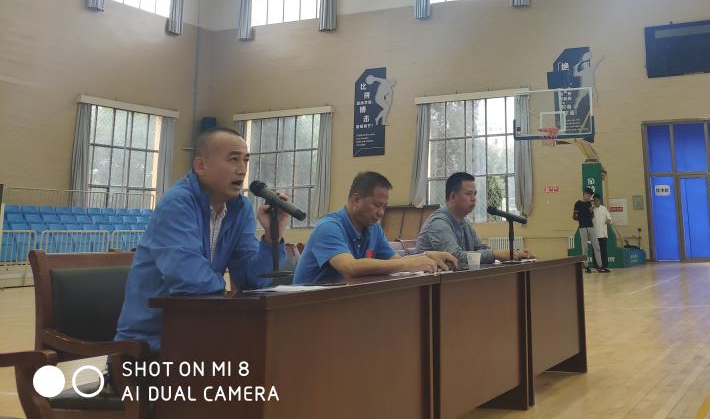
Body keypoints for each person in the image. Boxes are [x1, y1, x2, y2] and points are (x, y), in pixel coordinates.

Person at [116, 127, 290, 352]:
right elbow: (191, 280)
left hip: (202, 331)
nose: (242, 169)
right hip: (151, 342)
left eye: (245, 160)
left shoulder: (240, 209)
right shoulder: (177, 204)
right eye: (233, 159)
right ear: (201, 166)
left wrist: (272, 238)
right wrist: (225, 289)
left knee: (278, 352)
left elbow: (252, 281)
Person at [292, 171, 456, 284]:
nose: (381, 213)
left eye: (384, 206)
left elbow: (395, 262)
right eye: (377, 205)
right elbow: (350, 268)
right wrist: (409, 263)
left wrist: (427, 256)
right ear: (356, 200)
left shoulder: (373, 229)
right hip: (306, 308)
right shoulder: (328, 227)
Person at [416, 172, 532, 266]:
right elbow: (454, 257)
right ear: (453, 196)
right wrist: (494, 254)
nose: (474, 198)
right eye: (469, 194)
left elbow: (481, 248)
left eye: (475, 194)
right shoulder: (438, 222)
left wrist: (513, 254)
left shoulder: (464, 222)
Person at [573, 187, 601, 273]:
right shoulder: (577, 203)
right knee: (585, 248)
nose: (589, 197)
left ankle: (600, 266)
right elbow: (574, 217)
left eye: (590, 196)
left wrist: (591, 211)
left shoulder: (589, 203)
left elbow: (592, 215)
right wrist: (579, 216)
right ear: (585, 194)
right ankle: (586, 266)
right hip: (582, 227)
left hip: (591, 226)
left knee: (596, 246)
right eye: (589, 195)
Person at [591, 194, 616, 273]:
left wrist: (608, 220)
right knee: (595, 251)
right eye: (594, 201)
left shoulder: (604, 209)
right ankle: (596, 267)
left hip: (603, 234)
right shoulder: (591, 209)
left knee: (603, 251)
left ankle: (605, 266)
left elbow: (609, 219)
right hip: (594, 235)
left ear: (600, 201)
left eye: (597, 200)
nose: (595, 202)